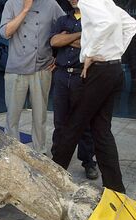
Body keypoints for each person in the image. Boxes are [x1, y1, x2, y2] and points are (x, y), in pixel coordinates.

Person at [51, 0, 136, 193]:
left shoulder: (89, 1)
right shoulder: (106, 2)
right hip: (113, 69)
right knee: (101, 130)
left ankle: (51, 180)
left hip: (99, 71)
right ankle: (115, 189)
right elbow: (131, 25)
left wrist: (91, 52)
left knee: (73, 124)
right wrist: (116, 52)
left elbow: (108, 24)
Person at [0, 0, 64, 154]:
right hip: (16, 68)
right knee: (12, 117)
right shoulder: (11, 4)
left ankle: (39, 152)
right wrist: (25, 10)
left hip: (41, 68)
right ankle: (12, 152)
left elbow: (66, 27)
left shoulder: (51, 4)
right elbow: (5, 32)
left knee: (40, 116)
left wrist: (58, 59)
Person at [50, 0, 98, 180]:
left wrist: (67, 38)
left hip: (82, 76)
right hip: (62, 76)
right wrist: (79, 36)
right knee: (60, 122)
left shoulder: (94, 20)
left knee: (83, 123)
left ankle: (88, 162)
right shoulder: (62, 20)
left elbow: (93, 46)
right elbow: (54, 41)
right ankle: (57, 162)